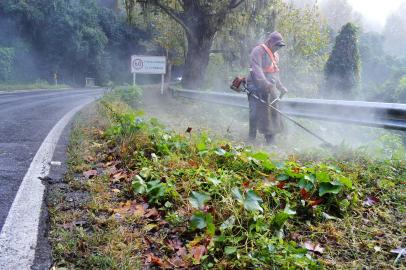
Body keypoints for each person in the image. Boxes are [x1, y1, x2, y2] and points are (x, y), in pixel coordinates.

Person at [246, 31, 288, 144]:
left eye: (280, 46)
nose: (278, 48)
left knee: (273, 109)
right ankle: (251, 137)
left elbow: (275, 73)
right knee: (254, 111)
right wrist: (265, 83)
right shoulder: (258, 51)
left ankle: (270, 138)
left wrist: (280, 87)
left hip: (269, 85)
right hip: (254, 84)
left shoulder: (276, 55)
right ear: (270, 42)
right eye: (277, 45)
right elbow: (257, 70)